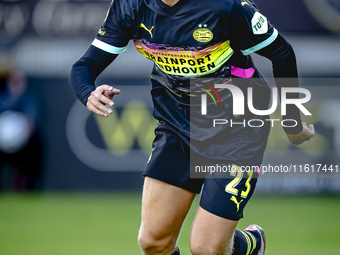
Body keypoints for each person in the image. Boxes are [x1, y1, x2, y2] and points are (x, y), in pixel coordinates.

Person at [70, 0, 315, 254]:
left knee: (206, 249)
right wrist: (88, 92)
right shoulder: (130, 6)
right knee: (154, 243)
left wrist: (292, 122)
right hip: (177, 125)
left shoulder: (226, 7)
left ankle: (250, 245)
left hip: (238, 127)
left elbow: (282, 53)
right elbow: (84, 66)